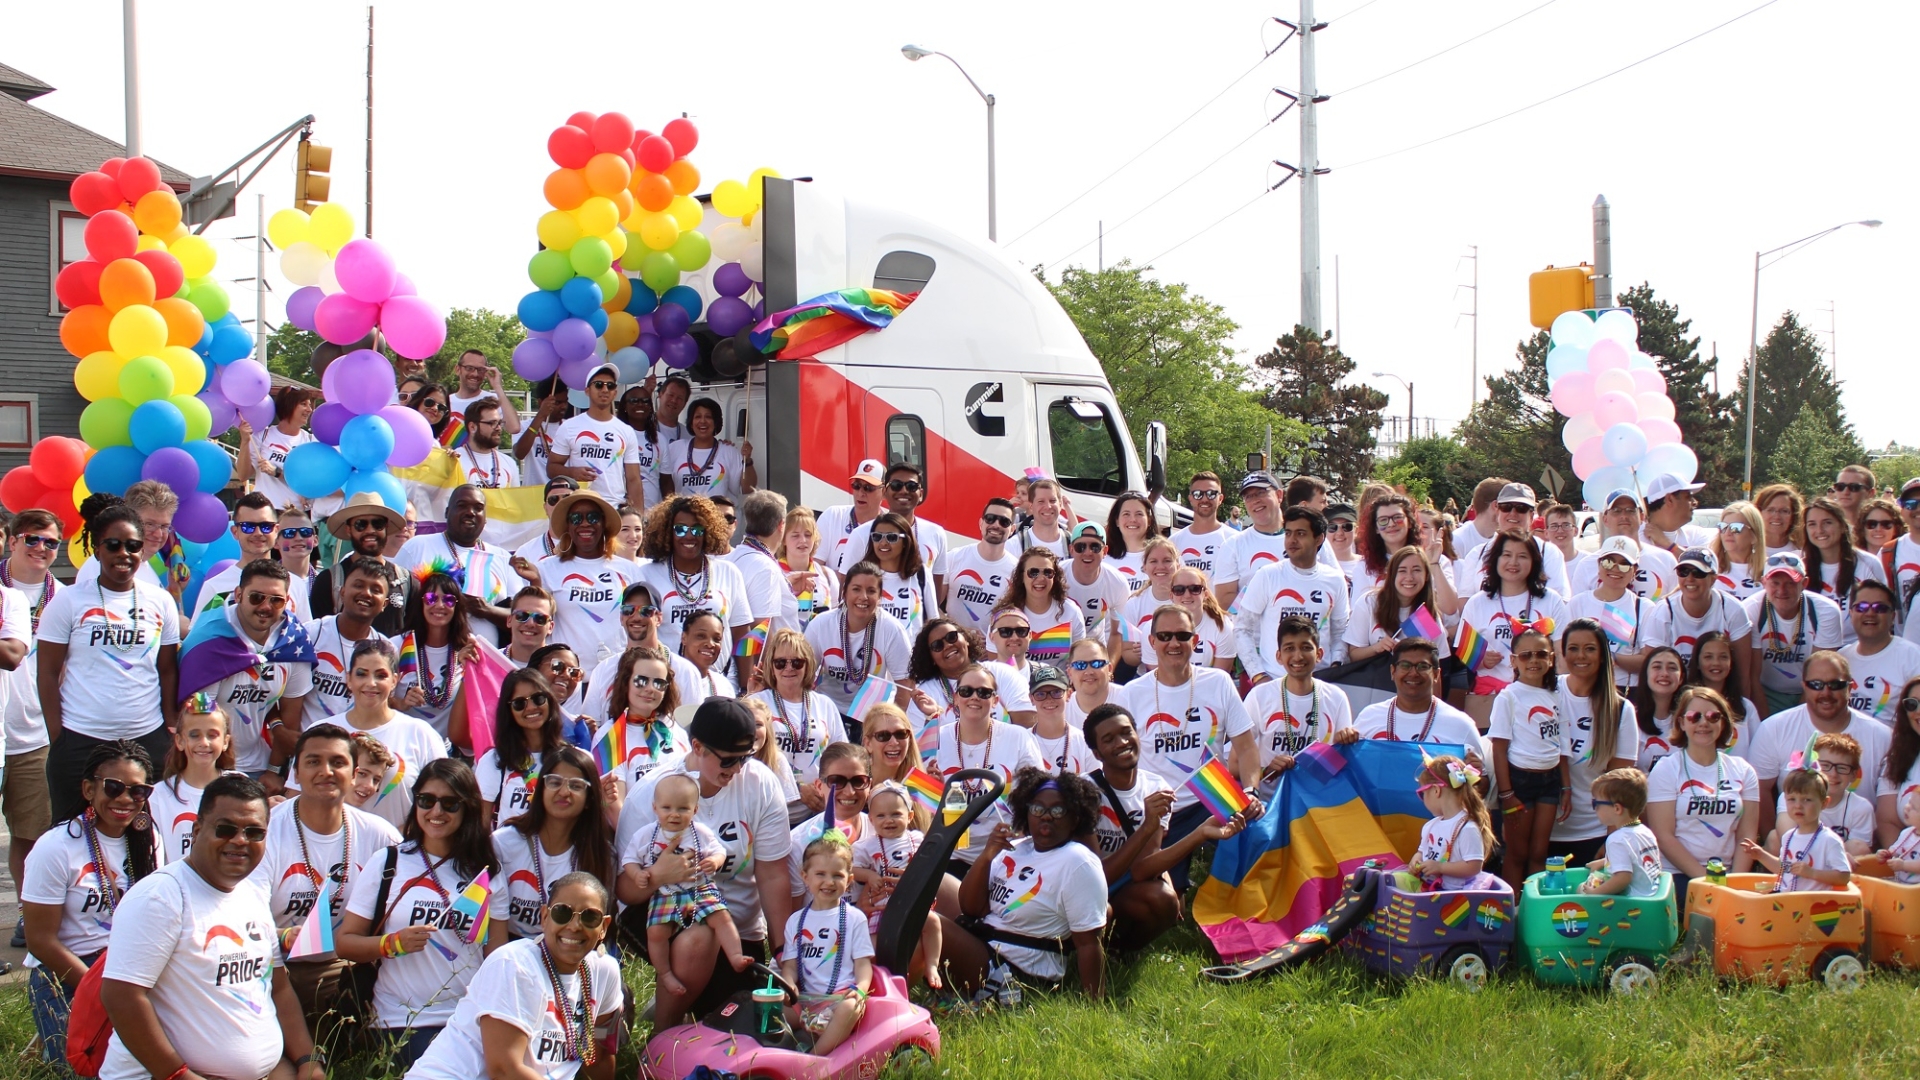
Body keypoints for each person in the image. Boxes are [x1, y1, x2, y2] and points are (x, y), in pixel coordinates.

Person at [99, 773, 324, 1080]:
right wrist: (179, 1076)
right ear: (197, 829)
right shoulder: (161, 897)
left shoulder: (252, 893)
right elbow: (121, 996)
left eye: (254, 832)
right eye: (226, 829)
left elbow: (278, 988)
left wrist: (307, 1061)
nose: (240, 840)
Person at [614, 699, 793, 1027]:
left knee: (747, 1023)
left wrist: (783, 954)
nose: (737, 769)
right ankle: (663, 1036)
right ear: (697, 747)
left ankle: (690, 999)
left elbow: (772, 875)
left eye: (744, 757)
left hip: (735, 925)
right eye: (728, 759)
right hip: (660, 913)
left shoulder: (761, 783)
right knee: (700, 937)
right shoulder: (654, 793)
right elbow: (622, 890)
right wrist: (656, 875)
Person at [339, 758, 507, 1069]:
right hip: (400, 1020)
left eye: (450, 803)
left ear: (468, 808)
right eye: (426, 800)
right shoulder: (388, 862)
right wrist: (391, 943)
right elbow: (345, 943)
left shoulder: (486, 872)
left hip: (467, 1018)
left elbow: (496, 958)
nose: (436, 811)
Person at [403, 870, 622, 1080]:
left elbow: (598, 1054)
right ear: (545, 917)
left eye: (590, 917)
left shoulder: (604, 972)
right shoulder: (514, 964)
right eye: (562, 913)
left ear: (604, 926)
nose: (574, 926)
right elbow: (505, 1070)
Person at [38, 501, 180, 823]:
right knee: (72, 832)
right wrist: (58, 736)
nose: (124, 553)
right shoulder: (68, 601)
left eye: (133, 546)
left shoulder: (161, 601)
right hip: (79, 738)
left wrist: (169, 726)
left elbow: (167, 670)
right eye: (113, 544)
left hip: (146, 737)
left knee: (144, 833)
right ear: (96, 548)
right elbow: (47, 673)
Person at [22, 740, 159, 1066]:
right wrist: (98, 992)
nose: (125, 799)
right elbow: (40, 941)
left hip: (128, 967)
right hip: (68, 973)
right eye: (114, 787)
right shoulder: (55, 847)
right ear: (88, 789)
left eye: (138, 791)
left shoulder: (148, 838)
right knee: (84, 1068)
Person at [259, 724, 402, 1035]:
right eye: (313, 761)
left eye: (338, 762)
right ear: (295, 773)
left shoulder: (380, 836)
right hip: (272, 961)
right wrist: (283, 936)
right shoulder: (266, 831)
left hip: (342, 966)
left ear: (353, 773)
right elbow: (240, 916)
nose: (326, 771)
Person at [1115, 606, 1261, 890]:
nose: (1174, 643)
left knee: (1256, 846)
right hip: (1159, 809)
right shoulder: (1132, 692)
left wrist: (1251, 791)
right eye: (1165, 636)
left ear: (1195, 641)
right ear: (1152, 641)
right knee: (1162, 893)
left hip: (1212, 797)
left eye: (1182, 636)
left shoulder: (1217, 681)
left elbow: (1246, 748)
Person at [938, 767, 1108, 1002]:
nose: (1046, 816)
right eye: (1037, 808)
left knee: (926, 923)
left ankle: (901, 1003)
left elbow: (1088, 943)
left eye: (1058, 810)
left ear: (1075, 818)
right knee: (937, 885)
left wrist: (1095, 1003)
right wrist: (987, 856)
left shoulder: (1077, 862)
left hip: (1014, 970)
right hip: (985, 942)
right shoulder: (1017, 848)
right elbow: (971, 908)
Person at [180, 559, 313, 788]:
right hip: (208, 764)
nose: (265, 607)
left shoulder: (293, 643)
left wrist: (274, 771)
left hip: (259, 765)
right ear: (239, 594)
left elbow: (291, 718)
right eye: (256, 597)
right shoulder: (209, 642)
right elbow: (200, 719)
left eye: (276, 600)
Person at [308, 637, 450, 831]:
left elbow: (442, 798)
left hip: (400, 846)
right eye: (362, 674)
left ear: (394, 681)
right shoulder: (321, 732)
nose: (371, 683)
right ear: (348, 679)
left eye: (381, 675)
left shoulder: (421, 733)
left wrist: (399, 837)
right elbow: (298, 795)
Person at [1749, 650, 1891, 839]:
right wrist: (1780, 845)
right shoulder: (1774, 728)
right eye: (1816, 685)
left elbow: (1888, 808)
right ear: (1804, 686)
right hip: (1795, 844)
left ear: (1850, 687)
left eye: (1835, 684)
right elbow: (1760, 790)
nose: (1826, 693)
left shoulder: (1882, 736)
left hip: (1856, 845)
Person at [1645, 686, 1760, 908]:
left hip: (1729, 874)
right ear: (1681, 723)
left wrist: (1734, 883)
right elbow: (1663, 836)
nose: (1703, 723)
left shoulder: (1744, 770)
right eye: (1694, 717)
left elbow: (1747, 835)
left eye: (1712, 716)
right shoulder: (1666, 769)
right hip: (1678, 874)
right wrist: (1709, 884)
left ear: (1723, 722)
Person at [927, 663, 1046, 875]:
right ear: (956, 698)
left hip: (1006, 851)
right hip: (950, 852)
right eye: (966, 691)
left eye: (983, 692)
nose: (975, 697)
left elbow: (1038, 792)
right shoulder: (935, 738)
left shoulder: (1018, 737)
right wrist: (932, 789)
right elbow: (917, 803)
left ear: (995, 701)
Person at [2, 508, 60, 941]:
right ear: (12, 541)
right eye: (32, 539)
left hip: (35, 731)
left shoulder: (65, 598)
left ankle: (28, 911)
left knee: (32, 832)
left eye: (51, 542)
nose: (41, 548)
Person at [494, 744, 616, 947]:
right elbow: (491, 919)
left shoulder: (601, 854)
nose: (564, 792)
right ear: (541, 790)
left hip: (568, 949)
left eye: (576, 786)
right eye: (554, 782)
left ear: (589, 799)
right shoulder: (503, 843)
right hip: (509, 949)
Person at [1547, 620, 1640, 866]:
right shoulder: (1545, 692)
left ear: (1602, 655)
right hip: (1542, 829)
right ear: (1562, 654)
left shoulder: (1621, 710)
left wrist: (1612, 840)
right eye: (1573, 648)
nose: (1581, 656)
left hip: (1594, 833)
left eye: (1590, 649)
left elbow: (1621, 784)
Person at [525, 488, 646, 667]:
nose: (585, 524)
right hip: (565, 675)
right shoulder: (546, 569)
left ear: (604, 523)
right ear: (568, 525)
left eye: (593, 517)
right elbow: (536, 621)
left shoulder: (629, 570)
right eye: (576, 518)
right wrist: (535, 583)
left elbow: (643, 622)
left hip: (618, 672)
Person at [1487, 627, 1568, 887]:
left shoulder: (1557, 694)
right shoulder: (1508, 697)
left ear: (1551, 658)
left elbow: (1561, 746)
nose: (1534, 660)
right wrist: (1506, 793)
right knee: (1517, 853)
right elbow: (1499, 748)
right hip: (1519, 782)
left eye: (1541, 654)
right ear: (1513, 661)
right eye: (1526, 655)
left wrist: (1566, 787)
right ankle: (1511, 903)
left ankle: (1534, 903)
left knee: (1539, 852)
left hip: (1550, 781)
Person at [1237, 506, 1353, 686]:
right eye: (1288, 533)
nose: (1292, 540)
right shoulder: (1267, 575)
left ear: (1319, 539)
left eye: (1300, 533)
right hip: (1274, 681)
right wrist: (1259, 675)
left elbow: (1340, 631)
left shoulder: (1335, 579)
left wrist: (1335, 665)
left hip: (1321, 682)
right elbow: (1242, 629)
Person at [395, 485, 518, 648]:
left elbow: (521, 617)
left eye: (478, 508)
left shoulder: (502, 558)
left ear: (485, 518)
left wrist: (486, 610)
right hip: (428, 654)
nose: (470, 512)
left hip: (488, 658)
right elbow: (395, 603)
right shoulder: (417, 547)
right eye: (462, 505)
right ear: (447, 512)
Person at [850, 780, 942, 984]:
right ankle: (876, 980)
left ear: (910, 816)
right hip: (882, 905)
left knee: (933, 923)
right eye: (881, 816)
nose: (888, 821)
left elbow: (932, 863)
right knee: (873, 943)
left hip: (912, 903)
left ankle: (932, 966)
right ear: (871, 820)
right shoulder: (867, 846)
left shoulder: (917, 839)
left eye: (896, 814)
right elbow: (853, 869)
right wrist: (870, 876)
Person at [1456, 531, 1570, 693]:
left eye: (1522, 556)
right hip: (1490, 694)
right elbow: (1464, 654)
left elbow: (1561, 653)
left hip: (1541, 691)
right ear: (1496, 559)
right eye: (1507, 555)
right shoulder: (1476, 603)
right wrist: (1482, 661)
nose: (1513, 562)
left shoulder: (1551, 600)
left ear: (1534, 561)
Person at [637, 494, 752, 654]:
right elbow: (638, 632)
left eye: (697, 529)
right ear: (667, 532)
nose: (689, 535)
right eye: (680, 529)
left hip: (720, 670)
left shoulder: (728, 572)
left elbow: (741, 634)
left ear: (708, 531)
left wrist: (746, 671)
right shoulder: (647, 574)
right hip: (667, 669)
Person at [805, 561, 912, 731]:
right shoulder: (820, 625)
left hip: (873, 715)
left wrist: (892, 727)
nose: (863, 597)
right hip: (827, 710)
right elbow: (803, 674)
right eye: (856, 589)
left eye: (871, 591)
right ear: (844, 592)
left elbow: (905, 685)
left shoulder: (892, 629)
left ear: (880, 597)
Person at [752, 629, 851, 804]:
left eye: (797, 662)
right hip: (769, 805)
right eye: (780, 663)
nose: (789, 668)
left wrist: (825, 790)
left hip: (818, 805)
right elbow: (749, 760)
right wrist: (797, 789)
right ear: (771, 667)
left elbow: (841, 756)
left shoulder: (825, 704)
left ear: (808, 665)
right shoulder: (757, 703)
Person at [581, 582, 702, 723]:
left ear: (659, 618)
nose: (637, 617)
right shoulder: (604, 670)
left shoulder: (685, 671)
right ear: (621, 618)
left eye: (646, 611)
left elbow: (693, 727)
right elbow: (592, 724)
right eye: (628, 610)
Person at [301, 554, 397, 729]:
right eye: (359, 585)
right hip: (312, 740)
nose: (366, 593)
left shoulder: (386, 649)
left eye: (376, 590)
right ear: (343, 592)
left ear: (384, 604)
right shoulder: (311, 634)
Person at [1743, 552, 1845, 715]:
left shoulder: (1826, 611)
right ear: (1764, 583)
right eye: (1775, 583)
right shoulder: (1750, 610)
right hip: (1766, 692)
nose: (1782, 590)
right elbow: (1752, 676)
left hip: (1813, 690)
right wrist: (1765, 721)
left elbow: (1820, 671)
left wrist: (1799, 717)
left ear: (1804, 583)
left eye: (1790, 583)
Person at [907, 617, 1035, 735]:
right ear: (931, 658)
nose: (948, 645)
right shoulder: (925, 695)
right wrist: (931, 717)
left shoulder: (1002, 673)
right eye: (937, 646)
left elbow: (1027, 729)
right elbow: (918, 746)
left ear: (966, 639)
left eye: (952, 637)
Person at [477, 667, 567, 828]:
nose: (531, 707)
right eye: (519, 703)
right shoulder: (493, 761)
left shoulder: (572, 758)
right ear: (509, 710)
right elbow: (480, 826)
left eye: (538, 698)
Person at [147, 694, 233, 863]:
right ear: (179, 741)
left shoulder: (239, 786)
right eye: (194, 735)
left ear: (225, 741)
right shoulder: (157, 796)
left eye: (212, 735)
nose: (204, 743)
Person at [188, 492, 301, 618]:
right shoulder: (214, 587)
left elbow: (305, 629)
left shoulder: (296, 584)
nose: (258, 533)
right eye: (248, 527)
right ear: (235, 532)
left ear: (276, 531)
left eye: (266, 526)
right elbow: (200, 631)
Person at [839, 463, 948, 593]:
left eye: (911, 486)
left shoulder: (936, 533)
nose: (904, 491)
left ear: (921, 494)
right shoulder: (861, 534)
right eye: (896, 485)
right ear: (885, 492)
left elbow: (935, 592)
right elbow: (845, 588)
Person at [312, 491, 412, 634]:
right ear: (348, 529)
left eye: (377, 524)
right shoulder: (327, 581)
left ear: (386, 527)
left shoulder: (407, 582)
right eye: (361, 524)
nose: (370, 530)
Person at [396, 569, 477, 743]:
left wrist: (469, 671)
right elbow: (376, 699)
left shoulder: (468, 647)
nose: (440, 605)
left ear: (457, 607)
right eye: (431, 598)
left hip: (447, 751)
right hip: (403, 745)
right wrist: (401, 703)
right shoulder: (397, 645)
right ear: (421, 603)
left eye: (448, 600)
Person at [549, 363, 645, 508]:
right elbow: (552, 468)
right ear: (587, 391)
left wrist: (638, 516)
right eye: (599, 385)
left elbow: (633, 479)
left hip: (615, 507)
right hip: (579, 506)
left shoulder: (626, 430)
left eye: (610, 386)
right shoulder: (569, 427)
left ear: (615, 392)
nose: (605, 390)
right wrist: (571, 472)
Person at [1743, 766, 1851, 891]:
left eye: (1807, 800)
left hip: (1815, 901)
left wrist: (1812, 873)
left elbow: (1844, 876)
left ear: (1824, 803)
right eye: (1792, 799)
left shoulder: (1829, 840)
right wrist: (1761, 855)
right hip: (1788, 899)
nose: (1798, 806)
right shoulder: (1788, 836)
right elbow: (1785, 869)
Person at [1768, 732, 1875, 855]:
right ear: (1812, 766)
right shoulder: (1792, 797)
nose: (1833, 774)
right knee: (1774, 838)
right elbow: (1787, 835)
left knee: (1859, 847)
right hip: (1798, 855)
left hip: (1837, 861)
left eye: (1842, 768)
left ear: (1854, 775)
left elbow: (1860, 850)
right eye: (1825, 765)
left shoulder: (1862, 807)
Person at [1345, 547, 1452, 665]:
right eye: (1402, 571)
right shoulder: (1368, 603)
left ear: (1426, 576)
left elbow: (1440, 661)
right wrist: (1376, 648)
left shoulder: (1426, 612)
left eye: (1416, 570)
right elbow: (1353, 655)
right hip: (1374, 675)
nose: (1409, 577)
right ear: (1391, 575)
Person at [1568, 491, 1677, 602]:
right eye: (1616, 511)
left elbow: (1674, 606)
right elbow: (1579, 608)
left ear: (1642, 517)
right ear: (1605, 519)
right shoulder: (1586, 566)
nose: (1624, 516)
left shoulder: (1666, 560)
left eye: (1630, 510)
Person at [1803, 496, 1887, 640]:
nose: (1820, 530)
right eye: (1812, 524)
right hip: (1816, 646)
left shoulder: (1868, 563)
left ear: (1842, 526)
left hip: (1859, 645)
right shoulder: (1800, 567)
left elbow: (1883, 612)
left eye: (1827, 523)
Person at [1408, 752, 1493, 890]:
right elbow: (1421, 852)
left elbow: (1473, 866)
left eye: (1422, 793)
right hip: (1430, 889)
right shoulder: (1430, 826)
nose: (1422, 799)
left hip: (1455, 896)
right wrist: (1416, 860)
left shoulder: (1467, 828)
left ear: (1436, 790)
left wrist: (1440, 867)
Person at [728, 489, 797, 655]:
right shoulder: (765, 567)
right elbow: (760, 633)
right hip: (774, 664)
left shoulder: (734, 557)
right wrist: (769, 669)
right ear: (781, 525)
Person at [1841, 579, 1920, 724]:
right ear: (1851, 613)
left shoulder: (1913, 658)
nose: (1870, 613)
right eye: (1861, 607)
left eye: (1880, 608)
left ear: (1893, 616)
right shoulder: (1841, 659)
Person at [1580, 768, 1663, 897]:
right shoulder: (1645, 832)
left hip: (1632, 902)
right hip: (1652, 895)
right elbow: (1636, 860)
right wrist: (1604, 862)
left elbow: (1622, 879)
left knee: (1581, 889)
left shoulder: (1616, 840)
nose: (1595, 808)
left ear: (1617, 809)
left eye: (1596, 803)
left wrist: (1595, 893)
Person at [860, 510, 938, 640]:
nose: (883, 543)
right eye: (877, 537)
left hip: (913, 652)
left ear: (905, 542)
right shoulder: (861, 574)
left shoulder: (921, 573)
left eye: (891, 537)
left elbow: (933, 621)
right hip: (872, 651)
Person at [944, 499, 1018, 636]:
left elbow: (1018, 617)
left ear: (1012, 529)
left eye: (1004, 521)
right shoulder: (953, 557)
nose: (996, 525)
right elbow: (933, 606)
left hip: (993, 647)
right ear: (981, 523)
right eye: (990, 519)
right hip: (954, 643)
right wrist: (957, 632)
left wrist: (994, 640)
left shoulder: (1017, 570)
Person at [1682, 630, 1760, 756]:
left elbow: (1758, 752)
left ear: (1731, 663)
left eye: (1723, 657)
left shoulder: (1746, 707)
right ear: (1697, 663)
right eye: (1708, 657)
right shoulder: (1685, 704)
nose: (1716, 663)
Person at [244, 386, 319, 512]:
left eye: (310, 405)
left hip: (295, 514)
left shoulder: (311, 441)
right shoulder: (262, 435)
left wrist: (277, 472)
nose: (309, 409)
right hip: (265, 512)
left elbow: (311, 481)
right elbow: (243, 475)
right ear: (288, 406)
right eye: (303, 404)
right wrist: (244, 441)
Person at [664, 396, 753, 500]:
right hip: (684, 510)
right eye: (698, 417)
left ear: (716, 423)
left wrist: (747, 461)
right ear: (691, 423)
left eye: (708, 417)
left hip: (719, 510)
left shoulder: (729, 451)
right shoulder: (675, 448)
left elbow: (747, 489)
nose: (703, 421)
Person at [814, 459, 889, 574]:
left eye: (868, 488)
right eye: (857, 486)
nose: (860, 493)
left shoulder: (891, 527)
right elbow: (814, 568)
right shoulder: (832, 516)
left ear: (884, 492)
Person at [1116, 537, 1178, 671]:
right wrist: (1140, 652)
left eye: (1167, 560)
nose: (1160, 566)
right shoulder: (1133, 604)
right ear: (1144, 567)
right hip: (1146, 676)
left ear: (1177, 565)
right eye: (1153, 561)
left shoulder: (1188, 598)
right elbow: (1127, 653)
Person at [1063, 521, 1130, 645]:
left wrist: (1110, 659)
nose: (1088, 552)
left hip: (1094, 648)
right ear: (1071, 550)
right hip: (1059, 646)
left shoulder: (1117, 583)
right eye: (1080, 547)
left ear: (1105, 551)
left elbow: (1118, 633)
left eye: (1095, 547)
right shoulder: (1056, 575)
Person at [1171, 472, 1239, 592]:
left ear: (1220, 499)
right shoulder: (1173, 542)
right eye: (1198, 494)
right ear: (1190, 498)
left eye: (1211, 494)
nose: (1204, 499)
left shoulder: (1235, 540)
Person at [1351, 493, 1420, 607]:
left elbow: (1448, 611)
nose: (1391, 524)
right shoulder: (1363, 567)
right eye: (1383, 520)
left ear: (1410, 522)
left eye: (1397, 517)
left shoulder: (1429, 560)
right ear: (1376, 528)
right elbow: (1358, 610)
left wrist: (1435, 565)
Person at [1626, 645, 1688, 772]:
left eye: (1672, 668)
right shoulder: (1629, 717)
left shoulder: (1691, 719)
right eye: (1657, 667)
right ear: (1646, 674)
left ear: (1681, 678)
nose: (1664, 674)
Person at [1027, 663, 1095, 774]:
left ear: (1069, 694)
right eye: (1040, 694)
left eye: (1056, 692)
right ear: (1031, 698)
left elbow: (1095, 782)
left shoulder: (1084, 741)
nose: (1049, 699)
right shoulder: (1022, 742)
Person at [779, 507, 838, 629]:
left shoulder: (827, 575)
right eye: (795, 536)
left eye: (808, 535)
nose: (803, 540)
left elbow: (835, 619)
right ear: (783, 539)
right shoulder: (773, 573)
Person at [1879, 677, 1920, 847]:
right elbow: (1888, 822)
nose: (1918, 711)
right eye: (1912, 704)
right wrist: (1898, 859)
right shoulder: (1897, 759)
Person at [514, 379, 573, 491]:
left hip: (562, 492)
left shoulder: (570, 427)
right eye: (558, 403)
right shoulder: (524, 426)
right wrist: (541, 415)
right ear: (541, 402)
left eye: (565, 402)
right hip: (533, 493)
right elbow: (519, 453)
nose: (564, 406)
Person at [446, 349, 523, 435]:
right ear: (457, 369)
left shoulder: (492, 400)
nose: (475, 374)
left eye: (480, 369)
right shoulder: (445, 402)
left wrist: (498, 387)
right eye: (469, 368)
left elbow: (514, 428)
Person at [619, 380, 666, 511]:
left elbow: (665, 480)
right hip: (622, 510)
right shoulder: (617, 436)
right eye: (634, 401)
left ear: (650, 407)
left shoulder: (660, 439)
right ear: (624, 406)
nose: (640, 404)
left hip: (653, 512)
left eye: (645, 401)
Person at [1101, 492, 1161, 594]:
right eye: (1126, 514)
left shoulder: (1164, 555)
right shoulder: (1103, 560)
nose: (1133, 519)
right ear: (1117, 521)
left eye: (1139, 514)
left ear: (1149, 520)